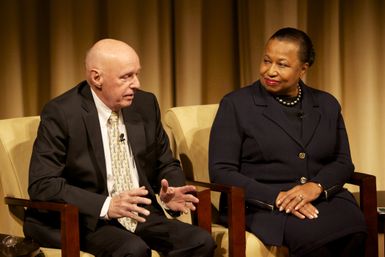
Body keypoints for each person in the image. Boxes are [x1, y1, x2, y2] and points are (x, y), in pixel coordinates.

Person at [24, 38, 216, 257]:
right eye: (126, 76)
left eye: (137, 74)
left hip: (139, 213)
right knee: (133, 250)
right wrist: (107, 205)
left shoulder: (145, 104)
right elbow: (43, 184)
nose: (136, 84)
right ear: (96, 78)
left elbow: (165, 162)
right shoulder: (62, 113)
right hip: (87, 218)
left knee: (201, 242)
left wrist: (171, 190)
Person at [209, 27, 367, 257]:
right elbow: (221, 171)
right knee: (316, 244)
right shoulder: (236, 104)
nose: (270, 71)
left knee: (356, 232)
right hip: (264, 205)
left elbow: (343, 162)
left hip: (322, 198)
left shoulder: (326, 104)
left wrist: (316, 187)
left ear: (303, 69)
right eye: (266, 61)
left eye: (282, 64)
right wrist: (279, 198)